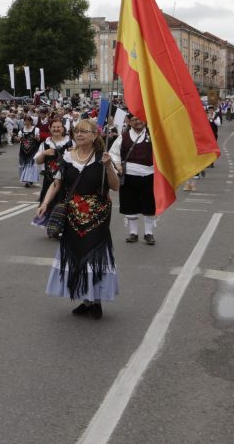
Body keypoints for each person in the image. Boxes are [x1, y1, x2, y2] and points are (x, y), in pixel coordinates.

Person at [39, 118, 121, 319]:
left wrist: (109, 166)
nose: (79, 134)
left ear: (95, 136)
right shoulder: (67, 158)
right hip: (72, 216)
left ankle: (96, 301)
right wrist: (44, 204)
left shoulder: (103, 158)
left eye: (84, 131)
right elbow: (56, 184)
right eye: (77, 131)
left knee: (94, 256)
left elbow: (115, 186)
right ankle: (85, 300)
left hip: (97, 217)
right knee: (76, 255)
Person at [109, 114, 158, 245]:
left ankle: (149, 233)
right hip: (129, 175)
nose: (138, 122)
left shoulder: (152, 134)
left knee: (150, 205)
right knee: (130, 204)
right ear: (129, 122)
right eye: (134, 120)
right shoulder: (123, 137)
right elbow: (113, 153)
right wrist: (118, 164)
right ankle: (133, 233)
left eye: (140, 118)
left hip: (149, 174)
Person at [34, 119, 73, 210]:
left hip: (66, 181)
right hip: (49, 181)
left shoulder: (71, 143)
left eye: (58, 127)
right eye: (54, 127)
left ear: (63, 129)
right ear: (50, 129)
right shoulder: (45, 144)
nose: (56, 129)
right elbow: (38, 161)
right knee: (48, 207)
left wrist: (73, 153)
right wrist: (44, 154)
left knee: (65, 208)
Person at [19, 116, 41, 188]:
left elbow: (38, 139)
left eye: (27, 121)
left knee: (32, 165)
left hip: (33, 150)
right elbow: (19, 139)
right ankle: (27, 180)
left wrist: (37, 138)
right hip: (23, 150)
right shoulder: (22, 130)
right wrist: (17, 138)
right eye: (25, 121)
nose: (26, 122)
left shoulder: (36, 129)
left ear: (31, 121)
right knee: (24, 165)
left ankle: (30, 180)